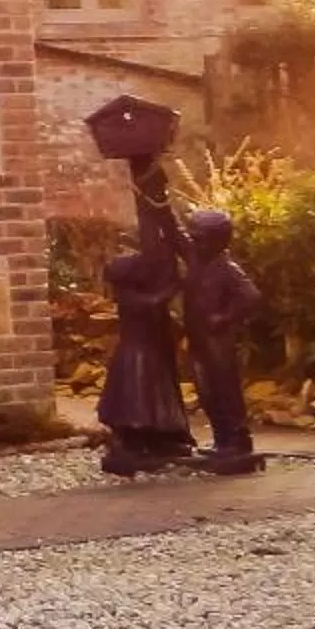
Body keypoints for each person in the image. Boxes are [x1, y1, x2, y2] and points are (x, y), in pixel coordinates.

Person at [96, 156, 194, 475]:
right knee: (136, 400)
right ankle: (134, 440)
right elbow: (153, 301)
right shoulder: (130, 298)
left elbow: (155, 259)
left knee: (148, 397)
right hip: (138, 355)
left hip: (145, 352)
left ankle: (155, 437)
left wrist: (153, 199)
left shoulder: (130, 290)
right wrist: (173, 285)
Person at [181, 207, 264, 473]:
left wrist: (225, 317)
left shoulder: (227, 268)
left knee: (224, 390)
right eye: (195, 239)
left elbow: (251, 296)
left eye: (201, 239)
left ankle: (237, 440)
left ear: (218, 240)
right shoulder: (196, 259)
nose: (196, 244)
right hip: (198, 336)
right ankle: (222, 439)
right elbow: (173, 234)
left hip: (218, 341)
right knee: (206, 391)